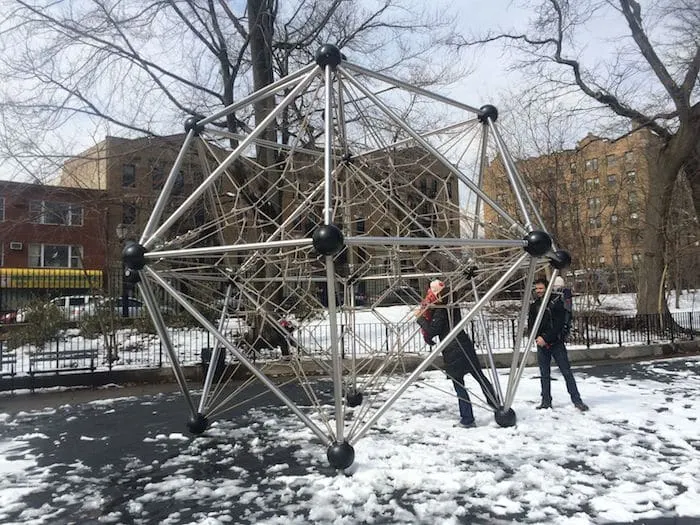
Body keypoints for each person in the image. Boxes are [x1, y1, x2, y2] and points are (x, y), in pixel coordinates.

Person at [417, 280, 500, 428]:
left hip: (452, 349)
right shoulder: (453, 305)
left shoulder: (441, 309)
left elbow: (433, 330)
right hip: (464, 343)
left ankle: (467, 418)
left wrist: (421, 319)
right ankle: (497, 407)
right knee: (479, 376)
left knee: (459, 384)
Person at [528, 277, 589, 412]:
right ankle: (546, 401)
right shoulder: (534, 306)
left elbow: (558, 324)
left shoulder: (556, 303)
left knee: (566, 372)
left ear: (547, 288)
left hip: (556, 343)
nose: (538, 291)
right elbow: (531, 324)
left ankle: (577, 400)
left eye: (541, 288)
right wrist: (537, 338)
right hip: (541, 344)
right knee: (544, 374)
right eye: (537, 288)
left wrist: (546, 338)